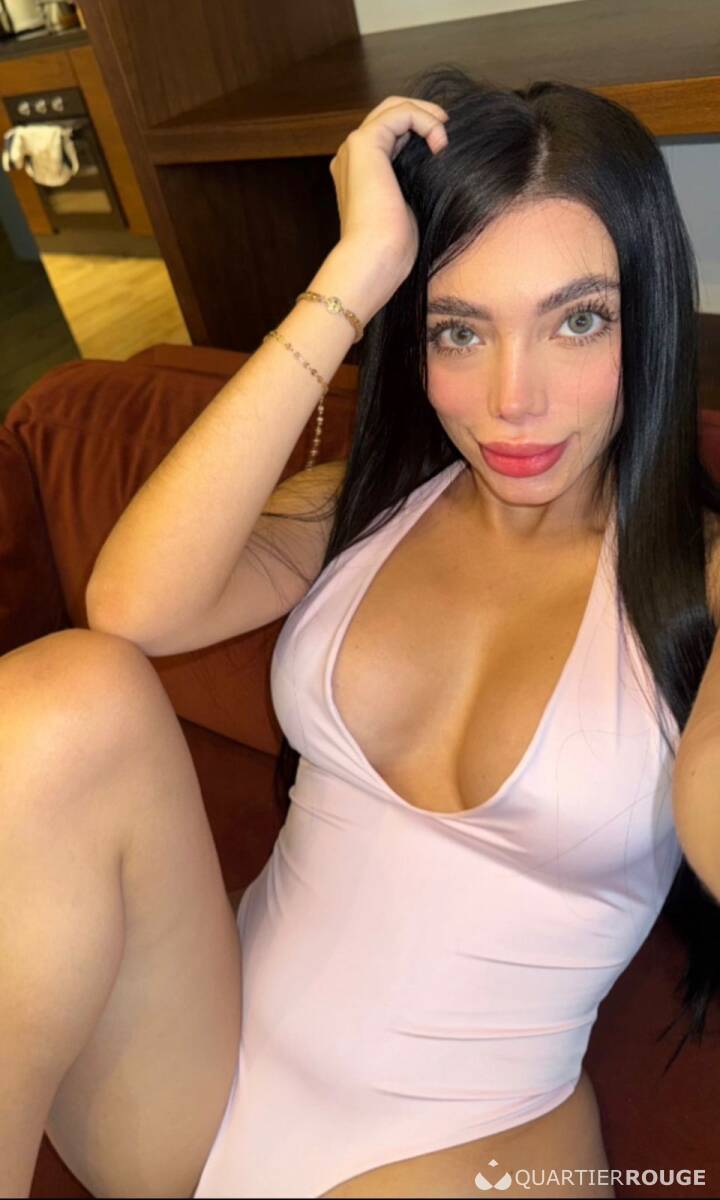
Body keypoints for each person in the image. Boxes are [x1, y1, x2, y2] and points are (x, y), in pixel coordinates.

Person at [2, 65, 719, 1200]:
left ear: (652, 317)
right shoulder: (373, 500)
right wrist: (356, 270)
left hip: (461, 1148)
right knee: (62, 693)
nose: (514, 400)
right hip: (197, 1067)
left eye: (578, 320)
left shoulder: (705, 580)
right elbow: (134, 608)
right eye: (459, 330)